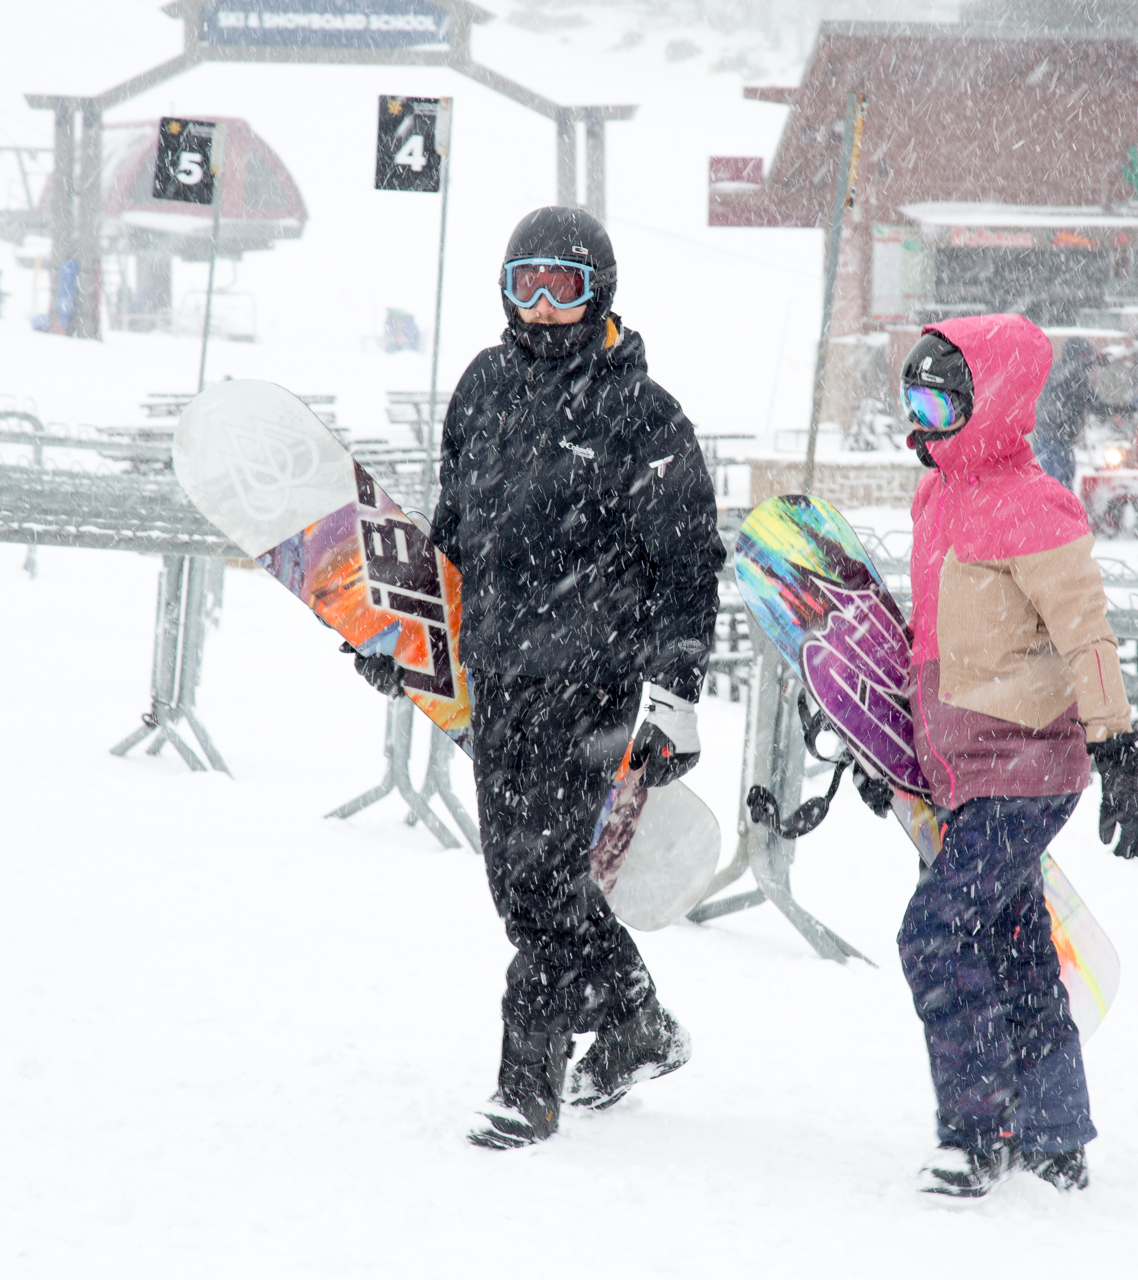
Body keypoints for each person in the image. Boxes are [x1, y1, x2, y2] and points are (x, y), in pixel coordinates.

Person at [352, 206, 725, 1150]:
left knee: (549, 882)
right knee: (522, 888)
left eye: (563, 285)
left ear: (599, 290)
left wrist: (673, 697)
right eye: (528, 285)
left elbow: (688, 568)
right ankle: (636, 1019)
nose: (545, 307)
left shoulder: (646, 416)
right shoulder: (482, 389)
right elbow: (452, 535)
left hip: (596, 688)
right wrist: (404, 636)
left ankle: (528, 1083)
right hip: (499, 681)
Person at [896, 312, 1138, 1197]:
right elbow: (935, 638)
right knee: (1012, 943)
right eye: (913, 398)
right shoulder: (937, 495)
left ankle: (977, 1132)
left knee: (936, 932)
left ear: (996, 401)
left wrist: (1119, 757)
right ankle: (1052, 1132)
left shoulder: (1036, 505)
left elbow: (1088, 638)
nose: (925, 418)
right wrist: (898, 755)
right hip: (964, 767)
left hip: (1024, 767)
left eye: (942, 398)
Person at [1029, 336, 1114, 490]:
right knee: (1054, 485)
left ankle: (1063, 512)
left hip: (1064, 440)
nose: (1086, 360)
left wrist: (1122, 409)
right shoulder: (1059, 371)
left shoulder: (1079, 378)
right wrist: (1094, 361)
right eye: (1084, 356)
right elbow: (1072, 370)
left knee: (1066, 482)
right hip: (1049, 438)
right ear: (1073, 356)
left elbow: (1095, 404)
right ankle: (1054, 513)